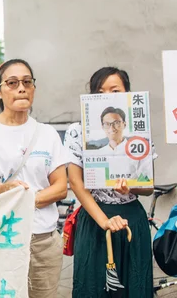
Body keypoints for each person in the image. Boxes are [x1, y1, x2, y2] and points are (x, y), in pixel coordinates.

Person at [0, 59, 70, 298]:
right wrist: (9, 189)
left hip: (44, 240)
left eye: (27, 82)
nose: (21, 88)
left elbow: (60, 188)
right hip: (3, 238)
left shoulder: (47, 134)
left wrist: (20, 196)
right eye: (12, 83)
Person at [64, 66, 153, 297]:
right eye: (100, 90)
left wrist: (131, 186)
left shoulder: (140, 133)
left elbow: (148, 187)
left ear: (127, 94)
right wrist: (104, 221)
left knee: (134, 285)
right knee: (93, 287)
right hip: (95, 218)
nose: (107, 95)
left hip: (131, 220)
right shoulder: (78, 131)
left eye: (115, 90)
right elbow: (76, 183)